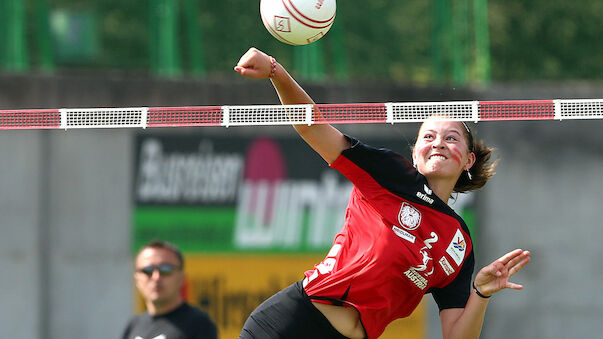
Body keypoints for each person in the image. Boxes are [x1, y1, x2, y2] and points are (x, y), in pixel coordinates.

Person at [233, 47, 531, 339]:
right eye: (428, 136)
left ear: (468, 160)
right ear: (416, 155)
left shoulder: (458, 244)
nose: (438, 143)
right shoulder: (390, 173)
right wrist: (276, 71)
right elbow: (313, 128)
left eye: (451, 138)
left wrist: (480, 293)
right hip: (290, 322)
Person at [121, 240, 217, 339]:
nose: (156, 277)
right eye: (148, 270)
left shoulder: (199, 325)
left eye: (165, 269)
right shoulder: (132, 327)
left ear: (181, 278)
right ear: (137, 279)